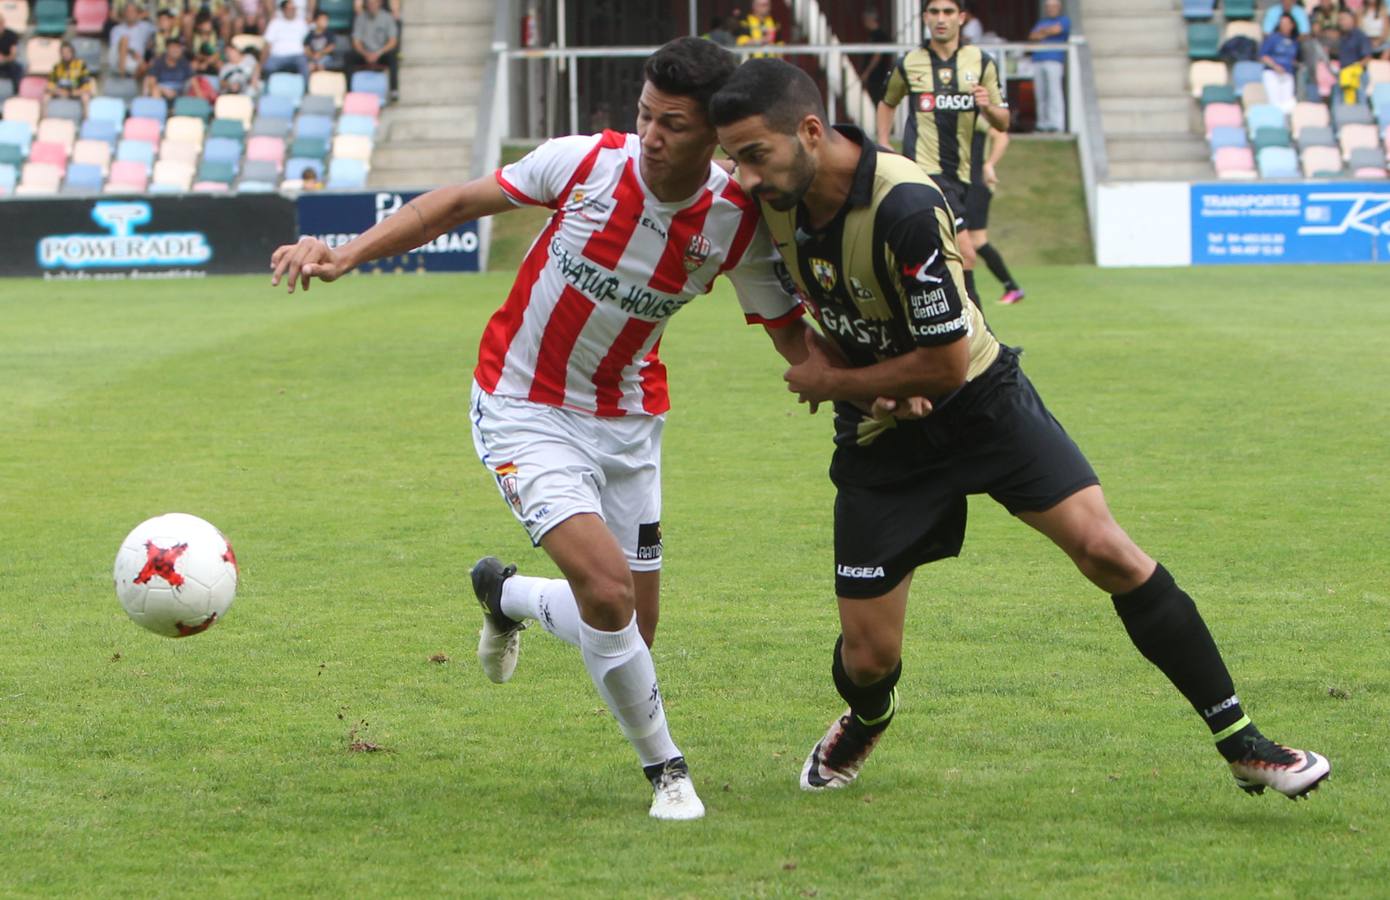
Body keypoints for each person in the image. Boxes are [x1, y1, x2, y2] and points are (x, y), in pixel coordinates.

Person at [709, 57, 1331, 801]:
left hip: (981, 401)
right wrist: (872, 395)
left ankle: (1243, 742)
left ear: (811, 131)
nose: (742, 177)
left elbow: (940, 368)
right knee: (868, 657)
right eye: (733, 159)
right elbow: (825, 318)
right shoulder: (769, 202)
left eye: (754, 155)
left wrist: (837, 383)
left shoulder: (904, 201)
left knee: (1110, 552)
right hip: (884, 439)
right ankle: (868, 715)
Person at [268, 37, 801, 821]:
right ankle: (669, 775)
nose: (651, 135)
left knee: (631, 624)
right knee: (609, 592)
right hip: (522, 405)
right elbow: (451, 204)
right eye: (646, 116)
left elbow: (793, 337)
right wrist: (346, 255)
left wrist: (879, 381)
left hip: (627, 424)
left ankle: (506, 593)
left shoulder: (735, 223)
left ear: (715, 134)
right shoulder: (583, 163)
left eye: (674, 125)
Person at [877, 0, 1009, 308]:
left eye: (948, 12)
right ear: (924, 17)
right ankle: (982, 341)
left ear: (961, 18)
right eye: (934, 12)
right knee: (966, 252)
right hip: (925, 171)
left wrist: (987, 105)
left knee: (939, 256)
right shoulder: (910, 62)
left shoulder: (982, 62)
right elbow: (887, 101)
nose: (941, 19)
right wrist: (884, 142)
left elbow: (1003, 122)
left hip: (962, 174)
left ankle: (940, 326)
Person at [966, 115, 1024, 305]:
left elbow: (1001, 136)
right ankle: (1010, 287)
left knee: (976, 241)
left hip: (977, 185)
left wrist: (989, 164)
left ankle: (1012, 287)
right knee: (966, 242)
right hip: (964, 184)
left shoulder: (977, 115)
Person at [1028, 0, 1070, 133]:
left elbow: (1057, 30)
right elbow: (1032, 36)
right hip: (1038, 60)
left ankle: (1056, 124)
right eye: (1048, 7)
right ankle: (1043, 124)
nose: (1051, 9)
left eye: (1053, 6)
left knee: (1054, 93)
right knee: (1041, 94)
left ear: (1058, 7)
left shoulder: (1064, 20)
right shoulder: (1042, 22)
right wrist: (1047, 32)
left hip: (1054, 60)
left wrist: (1042, 33)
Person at [348, 0, 399, 99]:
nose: (372, 5)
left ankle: (394, 90)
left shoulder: (387, 17)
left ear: (380, 3)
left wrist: (379, 53)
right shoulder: (360, 18)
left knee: (393, 57)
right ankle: (349, 91)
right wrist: (365, 53)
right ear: (366, 4)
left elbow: (393, 41)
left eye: (374, 2)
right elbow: (356, 42)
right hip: (364, 53)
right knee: (348, 57)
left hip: (381, 53)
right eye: (369, 3)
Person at [1260, 14, 1301, 113]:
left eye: (1287, 23)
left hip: (1287, 74)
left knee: (1288, 105)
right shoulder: (1272, 38)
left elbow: (1295, 58)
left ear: (1292, 25)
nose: (1284, 26)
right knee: (1275, 104)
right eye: (1282, 23)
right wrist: (1275, 66)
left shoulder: (1295, 42)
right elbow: (1263, 56)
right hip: (1272, 73)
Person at [263, 0, 310, 78]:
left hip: (297, 56)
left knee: (305, 67)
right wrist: (262, 63)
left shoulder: (302, 23)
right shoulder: (275, 23)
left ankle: (305, 89)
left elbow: (308, 43)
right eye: (289, 8)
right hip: (277, 56)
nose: (292, 11)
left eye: (293, 8)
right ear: (283, 10)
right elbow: (267, 44)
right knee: (268, 67)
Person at [856, 8, 893, 104]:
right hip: (875, 78)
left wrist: (866, 73)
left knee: (879, 102)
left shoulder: (879, 36)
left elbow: (877, 56)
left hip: (878, 78)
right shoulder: (873, 35)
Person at [109, 3, 156, 77]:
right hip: (117, 59)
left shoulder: (146, 27)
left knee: (147, 65)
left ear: (138, 13)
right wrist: (132, 52)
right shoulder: (117, 29)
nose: (130, 14)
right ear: (124, 14)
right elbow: (116, 48)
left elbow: (162, 29)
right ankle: (122, 75)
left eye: (132, 11)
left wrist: (151, 43)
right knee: (125, 39)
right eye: (128, 11)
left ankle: (130, 81)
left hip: (137, 60)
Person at [46, 42, 97, 110]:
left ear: (73, 53)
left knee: (85, 96)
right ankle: (44, 119)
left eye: (68, 52)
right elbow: (50, 84)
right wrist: (57, 91)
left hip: (76, 92)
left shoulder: (81, 65)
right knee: (46, 96)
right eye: (63, 53)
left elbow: (86, 86)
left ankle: (86, 119)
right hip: (61, 92)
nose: (65, 55)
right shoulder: (57, 67)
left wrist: (73, 93)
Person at [144, 35, 193, 99]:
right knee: (155, 90)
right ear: (167, 49)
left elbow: (193, 81)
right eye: (173, 47)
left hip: (180, 94)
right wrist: (164, 90)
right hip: (161, 94)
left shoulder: (184, 63)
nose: (176, 50)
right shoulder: (158, 62)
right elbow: (151, 82)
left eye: (178, 48)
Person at [0, 12, 22, 95]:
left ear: (3, 23)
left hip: (7, 63)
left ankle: (16, 92)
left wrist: (4, 58)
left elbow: (13, 55)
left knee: (17, 68)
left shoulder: (11, 35)